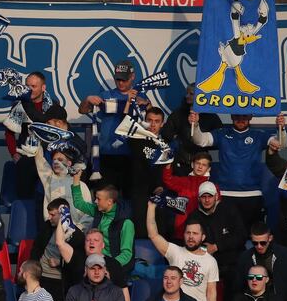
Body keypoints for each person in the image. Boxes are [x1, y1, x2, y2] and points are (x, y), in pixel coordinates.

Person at [190, 111, 286, 231]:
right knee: (226, 235)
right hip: (225, 195)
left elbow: (280, 144)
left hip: (252, 195)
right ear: (231, 116)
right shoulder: (221, 133)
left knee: (253, 237)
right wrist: (196, 124)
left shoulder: (259, 135)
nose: (241, 118)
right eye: (237, 115)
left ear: (251, 116)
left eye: (244, 115)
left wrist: (281, 128)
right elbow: (200, 140)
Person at [78, 59, 149, 196]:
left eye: (124, 79)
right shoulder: (106, 95)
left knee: (129, 197)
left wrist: (145, 104)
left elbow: (151, 120)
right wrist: (88, 99)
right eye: (118, 80)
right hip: (107, 154)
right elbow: (83, 110)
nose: (121, 83)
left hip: (131, 155)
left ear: (132, 77)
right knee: (105, 197)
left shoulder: (140, 96)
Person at [56, 224, 131, 301]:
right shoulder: (77, 258)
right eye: (88, 240)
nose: (91, 242)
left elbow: (123, 289)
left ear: (103, 245)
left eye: (96, 240)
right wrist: (60, 219)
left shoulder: (113, 264)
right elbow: (60, 243)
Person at [6, 71, 68, 199]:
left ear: (43, 88)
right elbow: (9, 132)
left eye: (33, 86)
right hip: (26, 159)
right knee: (24, 198)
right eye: (27, 86)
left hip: (48, 159)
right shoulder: (19, 105)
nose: (30, 90)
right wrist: (14, 154)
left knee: (49, 198)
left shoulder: (55, 108)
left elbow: (62, 134)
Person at [189, 181, 247, 301]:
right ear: (199, 199)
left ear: (216, 197)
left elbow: (241, 236)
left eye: (210, 196)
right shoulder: (194, 216)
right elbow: (190, 241)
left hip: (232, 262)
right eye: (203, 197)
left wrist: (217, 246)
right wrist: (204, 249)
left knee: (237, 278)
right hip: (206, 262)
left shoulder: (229, 210)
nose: (207, 200)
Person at [31, 199, 85, 301]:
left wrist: (60, 263)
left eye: (53, 215)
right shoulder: (47, 227)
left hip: (59, 281)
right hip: (41, 277)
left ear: (62, 215)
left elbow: (77, 265)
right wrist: (34, 267)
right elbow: (36, 247)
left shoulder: (76, 235)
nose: (49, 218)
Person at [71, 170, 134, 270]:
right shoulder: (98, 211)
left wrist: (108, 266)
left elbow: (126, 254)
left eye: (98, 199)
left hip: (113, 267)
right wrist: (76, 178)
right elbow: (79, 203)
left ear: (109, 202)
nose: (95, 201)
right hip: (95, 262)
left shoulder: (126, 223)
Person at [159, 85, 221, 176]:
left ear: (200, 96)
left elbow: (219, 139)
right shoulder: (178, 114)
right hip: (181, 162)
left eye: (191, 94)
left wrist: (204, 144)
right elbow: (166, 133)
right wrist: (179, 141)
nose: (187, 96)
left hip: (201, 164)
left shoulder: (211, 116)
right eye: (187, 93)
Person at [34, 141, 93, 229]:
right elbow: (40, 162)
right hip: (53, 230)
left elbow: (88, 213)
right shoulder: (49, 180)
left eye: (60, 160)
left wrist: (78, 229)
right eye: (54, 160)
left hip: (75, 232)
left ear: (69, 163)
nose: (56, 162)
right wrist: (36, 140)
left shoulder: (81, 185)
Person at [127, 106, 167, 237]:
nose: (153, 124)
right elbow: (125, 122)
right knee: (139, 228)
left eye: (157, 121)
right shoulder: (136, 138)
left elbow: (167, 170)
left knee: (160, 228)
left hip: (159, 191)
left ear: (162, 123)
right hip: (139, 191)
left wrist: (161, 186)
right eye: (149, 120)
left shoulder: (166, 144)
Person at [161, 152, 212, 240]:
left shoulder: (212, 187)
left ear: (208, 169)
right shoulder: (184, 181)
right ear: (192, 164)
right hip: (181, 229)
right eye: (198, 163)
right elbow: (167, 179)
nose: (200, 167)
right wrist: (168, 163)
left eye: (204, 165)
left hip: (202, 232)